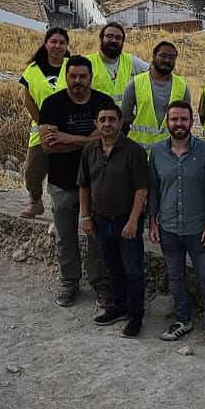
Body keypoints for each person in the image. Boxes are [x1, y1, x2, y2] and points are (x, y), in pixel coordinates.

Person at [37, 56, 116, 309]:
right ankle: (69, 282)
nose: (78, 81)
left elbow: (106, 141)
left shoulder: (103, 103)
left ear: (91, 77)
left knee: (97, 236)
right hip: (62, 182)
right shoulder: (52, 104)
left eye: (83, 76)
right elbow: (49, 147)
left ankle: (100, 283)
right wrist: (86, 140)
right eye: (73, 76)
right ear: (66, 77)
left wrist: (67, 138)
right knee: (65, 236)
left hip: (97, 184)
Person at [147, 103, 205, 348]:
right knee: (176, 277)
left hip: (198, 229)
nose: (178, 124)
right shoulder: (157, 152)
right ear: (167, 122)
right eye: (174, 119)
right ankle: (183, 321)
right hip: (168, 227)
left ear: (192, 122)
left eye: (183, 119)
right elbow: (154, 190)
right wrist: (152, 222)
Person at [78, 102, 150, 337]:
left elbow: (141, 189)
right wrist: (86, 216)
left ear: (121, 122)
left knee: (133, 270)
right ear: (96, 124)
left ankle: (136, 316)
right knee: (112, 268)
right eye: (103, 120)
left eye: (112, 119)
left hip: (125, 222)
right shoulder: (90, 150)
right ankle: (118, 307)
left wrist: (133, 221)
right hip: (100, 220)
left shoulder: (134, 151)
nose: (107, 124)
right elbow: (84, 185)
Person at [17, 27, 71, 220]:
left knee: (67, 173)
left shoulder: (72, 66)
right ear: (46, 43)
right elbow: (28, 100)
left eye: (62, 42)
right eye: (53, 41)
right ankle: (36, 201)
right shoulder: (32, 69)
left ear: (67, 46)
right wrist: (43, 124)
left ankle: (69, 211)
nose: (57, 46)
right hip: (40, 129)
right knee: (32, 170)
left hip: (69, 129)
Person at [120, 40, 190, 148]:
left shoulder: (182, 86)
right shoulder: (136, 83)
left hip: (169, 150)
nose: (167, 60)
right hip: (139, 149)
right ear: (153, 56)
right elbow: (125, 114)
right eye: (163, 55)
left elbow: (186, 118)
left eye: (172, 57)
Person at [87, 22, 146, 102]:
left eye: (118, 38)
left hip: (123, 114)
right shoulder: (88, 62)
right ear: (101, 38)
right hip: (98, 114)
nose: (114, 40)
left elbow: (153, 73)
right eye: (109, 36)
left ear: (122, 42)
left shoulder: (130, 60)